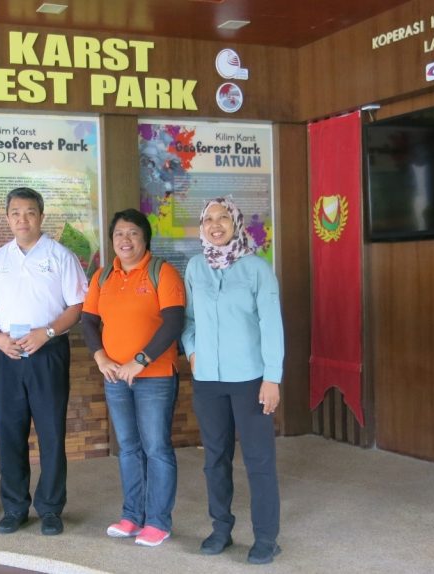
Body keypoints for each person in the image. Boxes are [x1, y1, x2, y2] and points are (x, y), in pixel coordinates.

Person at [0, 187, 88, 536]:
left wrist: (47, 333)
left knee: (51, 432)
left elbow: (77, 307)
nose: (22, 219)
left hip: (48, 351)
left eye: (29, 212)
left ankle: (51, 508)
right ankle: (14, 508)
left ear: (41, 216)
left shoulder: (60, 256)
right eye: (15, 213)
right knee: (10, 432)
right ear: (7, 218)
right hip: (8, 352)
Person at [181, 197, 285, 565]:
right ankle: (221, 529)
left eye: (223, 217)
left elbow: (271, 325)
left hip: (250, 379)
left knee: (259, 460)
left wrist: (272, 378)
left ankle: (266, 538)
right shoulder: (195, 267)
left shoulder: (257, 268)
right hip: (208, 380)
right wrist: (192, 351)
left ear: (235, 223)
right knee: (215, 458)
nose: (215, 224)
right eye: (208, 218)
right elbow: (189, 319)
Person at [81, 209, 186, 547]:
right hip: (114, 376)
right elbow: (88, 321)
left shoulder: (162, 272)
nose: (125, 240)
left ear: (145, 239)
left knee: (156, 448)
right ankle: (132, 517)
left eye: (133, 233)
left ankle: (158, 521)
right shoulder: (102, 277)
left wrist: (140, 361)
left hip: (155, 376)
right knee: (128, 447)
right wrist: (100, 357)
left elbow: (174, 322)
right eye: (119, 234)